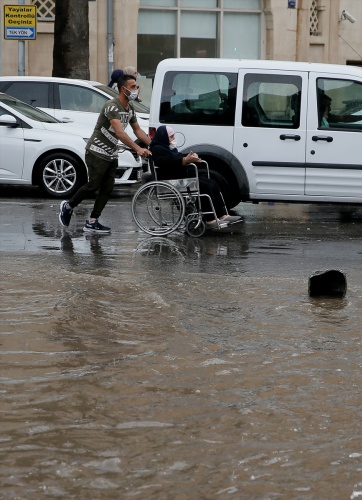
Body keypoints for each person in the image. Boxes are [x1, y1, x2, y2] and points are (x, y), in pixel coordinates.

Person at [59, 74, 151, 234]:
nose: (137, 89)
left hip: (110, 154)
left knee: (107, 187)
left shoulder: (130, 108)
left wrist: (154, 145)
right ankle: (68, 205)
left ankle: (92, 221)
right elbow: (120, 133)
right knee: (93, 185)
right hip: (96, 151)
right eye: (134, 86)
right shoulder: (112, 106)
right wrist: (137, 148)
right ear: (124, 89)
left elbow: (137, 130)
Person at [149, 125, 241, 229]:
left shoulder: (168, 149)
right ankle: (210, 219)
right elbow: (167, 162)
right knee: (205, 187)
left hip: (179, 178)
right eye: (171, 137)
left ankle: (222, 215)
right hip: (171, 181)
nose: (174, 139)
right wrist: (184, 160)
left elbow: (177, 156)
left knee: (212, 183)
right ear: (164, 137)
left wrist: (190, 156)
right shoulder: (158, 149)